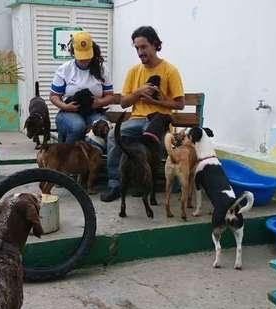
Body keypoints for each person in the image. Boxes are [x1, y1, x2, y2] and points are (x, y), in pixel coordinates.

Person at [101, 26, 185, 202]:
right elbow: (124, 103)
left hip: (158, 122)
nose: (140, 52)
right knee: (112, 135)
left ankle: (144, 182)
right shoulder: (133, 71)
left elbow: (180, 104)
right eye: (137, 48)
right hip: (137, 120)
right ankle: (115, 183)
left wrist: (156, 102)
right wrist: (139, 92)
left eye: (144, 47)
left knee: (150, 136)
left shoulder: (170, 71)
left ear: (155, 45)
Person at [50, 31, 115, 145]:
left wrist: (99, 102)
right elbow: (54, 96)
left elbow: (110, 96)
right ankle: (67, 157)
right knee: (78, 126)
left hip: (94, 111)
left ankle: (95, 158)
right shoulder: (65, 69)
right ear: (73, 52)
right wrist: (66, 106)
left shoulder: (102, 69)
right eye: (81, 57)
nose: (84, 60)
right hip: (69, 111)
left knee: (104, 127)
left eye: (87, 57)